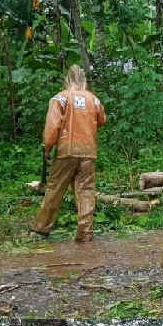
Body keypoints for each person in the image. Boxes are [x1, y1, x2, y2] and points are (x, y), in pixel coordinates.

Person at [30, 65, 107, 242]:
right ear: (83, 80)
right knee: (86, 191)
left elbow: (52, 126)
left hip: (67, 149)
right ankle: (85, 232)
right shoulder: (93, 99)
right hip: (88, 151)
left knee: (55, 189)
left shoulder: (60, 98)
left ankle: (41, 228)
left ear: (68, 79)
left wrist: (47, 146)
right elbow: (102, 119)